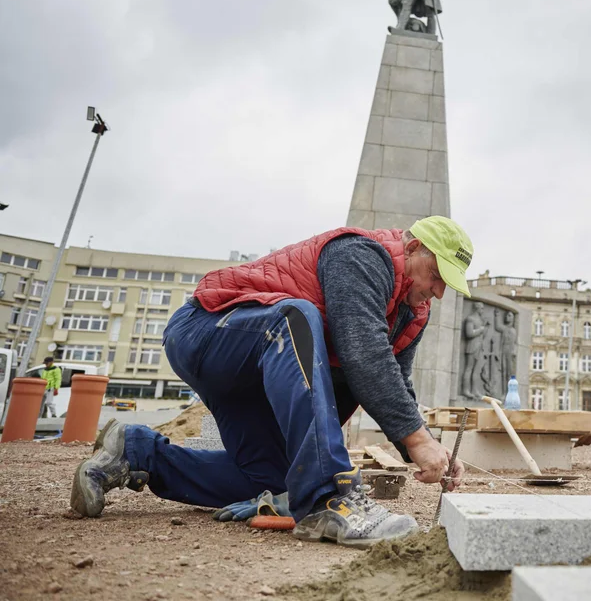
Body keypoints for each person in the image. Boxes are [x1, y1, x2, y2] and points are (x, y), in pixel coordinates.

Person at [70, 216, 472, 548]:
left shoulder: (411, 313)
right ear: (413, 247)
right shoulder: (362, 255)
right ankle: (328, 501)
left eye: (445, 286)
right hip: (209, 331)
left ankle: (138, 453)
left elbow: (393, 381)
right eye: (434, 275)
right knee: (295, 317)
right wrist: (418, 441)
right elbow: (364, 352)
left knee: (276, 481)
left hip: (259, 373)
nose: (436, 292)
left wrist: (424, 445)